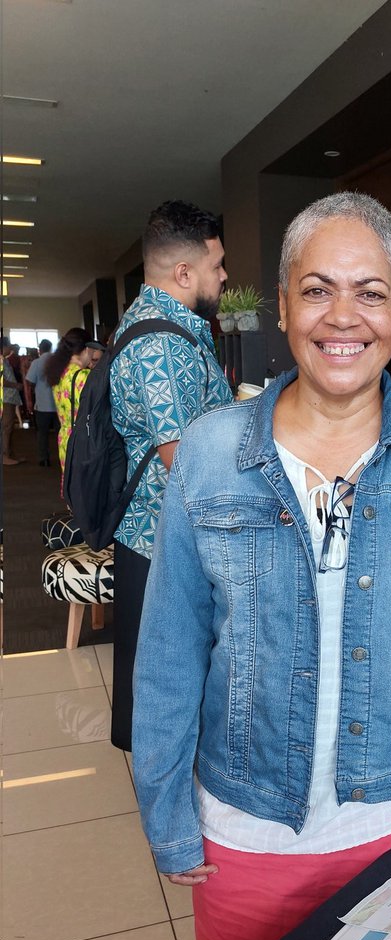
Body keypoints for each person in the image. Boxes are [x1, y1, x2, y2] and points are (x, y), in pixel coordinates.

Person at [133, 192, 391, 940]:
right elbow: (170, 642)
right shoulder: (210, 453)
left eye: (371, 292)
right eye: (316, 290)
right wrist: (166, 811)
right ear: (281, 306)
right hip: (245, 837)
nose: (342, 317)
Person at [109, 199, 233, 751]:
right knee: (163, 675)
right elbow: (179, 458)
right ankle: (170, 791)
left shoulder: (165, 327)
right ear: (184, 273)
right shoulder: (162, 344)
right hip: (163, 538)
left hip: (158, 533)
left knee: (156, 664)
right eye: (217, 265)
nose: (225, 276)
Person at [45, 328, 93, 487]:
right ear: (86, 350)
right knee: (85, 488)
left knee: (71, 486)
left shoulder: (59, 373)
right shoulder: (83, 376)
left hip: (65, 436)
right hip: (83, 439)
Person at [25, 339, 57, 466]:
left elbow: (30, 381)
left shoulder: (36, 363)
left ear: (40, 349)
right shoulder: (58, 362)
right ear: (50, 348)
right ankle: (65, 457)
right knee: (60, 432)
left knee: (42, 434)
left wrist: (36, 386)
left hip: (42, 405)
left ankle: (44, 459)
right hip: (58, 405)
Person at [1, 336, 25, 465]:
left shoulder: (5, 361)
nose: (10, 348)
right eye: (8, 345)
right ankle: (4, 456)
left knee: (9, 428)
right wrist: (16, 385)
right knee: (6, 427)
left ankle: (9, 453)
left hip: (9, 398)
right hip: (5, 398)